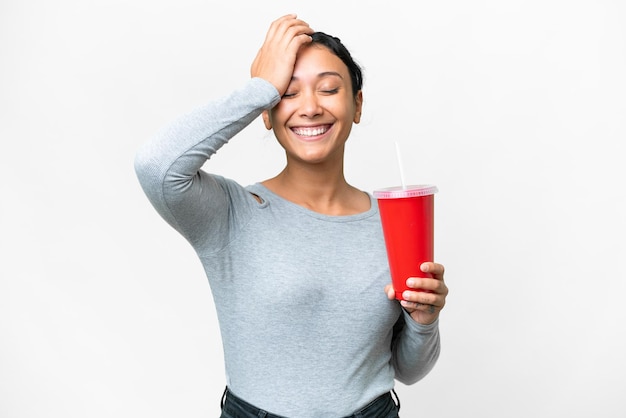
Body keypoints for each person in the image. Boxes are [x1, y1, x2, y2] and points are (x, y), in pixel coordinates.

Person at [134, 14, 448, 418]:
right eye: (288, 92)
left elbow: (408, 369)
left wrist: (424, 320)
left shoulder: (393, 220)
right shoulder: (231, 212)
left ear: (357, 104)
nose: (311, 107)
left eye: (329, 88)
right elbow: (156, 165)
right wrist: (259, 88)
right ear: (266, 112)